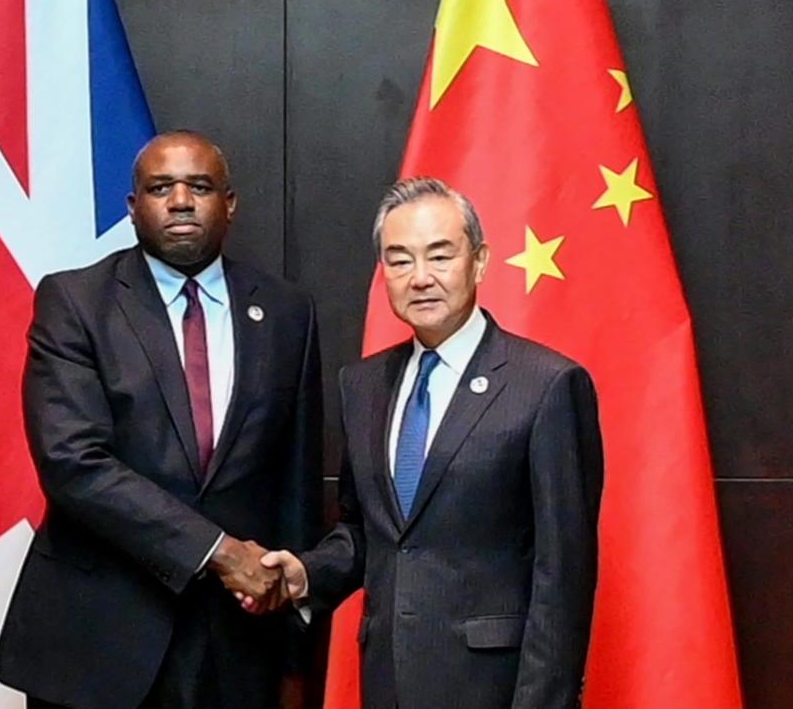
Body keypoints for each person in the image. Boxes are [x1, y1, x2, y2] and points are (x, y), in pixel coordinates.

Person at [0, 131, 322, 709]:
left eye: (199, 186)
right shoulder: (76, 302)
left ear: (230, 202)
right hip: (99, 637)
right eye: (160, 187)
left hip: (239, 644)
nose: (180, 201)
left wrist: (293, 647)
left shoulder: (287, 311)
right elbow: (74, 465)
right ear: (133, 206)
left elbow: (294, 480)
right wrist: (221, 553)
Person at [255, 178, 604, 709]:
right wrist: (308, 573)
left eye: (440, 256)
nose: (420, 278)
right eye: (399, 261)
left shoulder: (547, 385)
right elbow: (368, 531)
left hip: (495, 690)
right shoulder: (364, 386)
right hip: (388, 683)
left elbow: (564, 576)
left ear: (480, 261)